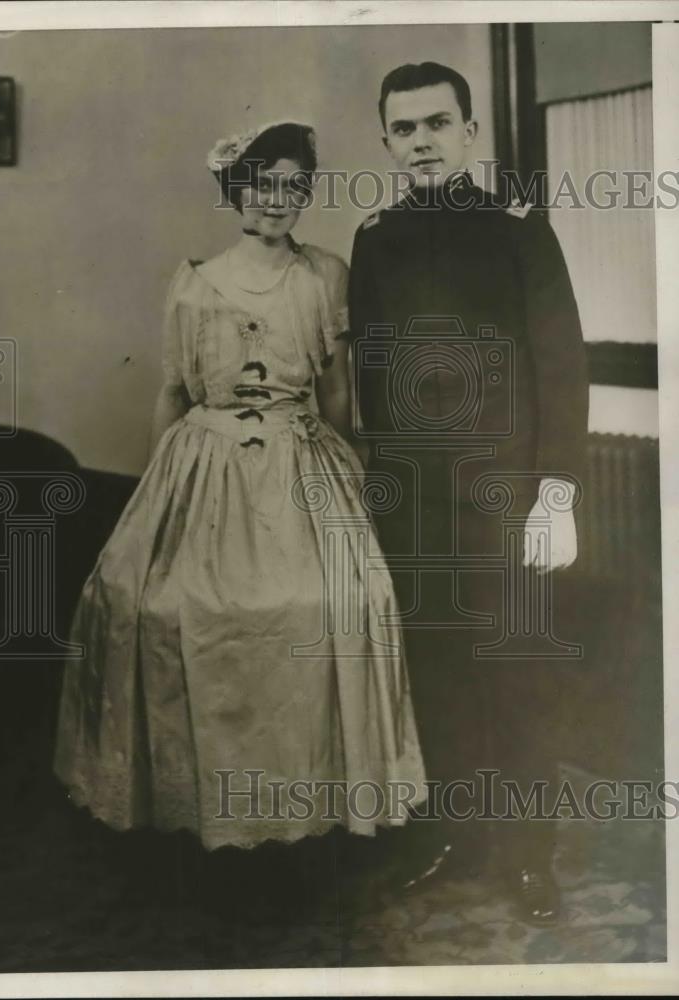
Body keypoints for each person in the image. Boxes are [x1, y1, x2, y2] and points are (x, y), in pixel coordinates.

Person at [53, 121, 427, 911]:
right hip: (206, 465)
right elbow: (174, 392)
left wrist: (351, 470)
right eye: (262, 184)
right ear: (235, 190)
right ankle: (204, 818)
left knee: (333, 605)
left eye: (293, 185)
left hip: (300, 462)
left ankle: (311, 817)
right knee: (164, 607)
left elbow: (333, 396)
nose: (276, 199)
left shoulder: (325, 274)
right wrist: (156, 496)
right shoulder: (194, 281)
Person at [348, 63, 589, 925]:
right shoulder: (374, 238)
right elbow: (372, 375)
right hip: (414, 504)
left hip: (508, 503)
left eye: (437, 124)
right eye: (404, 129)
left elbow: (562, 364)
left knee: (518, 676)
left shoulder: (519, 230)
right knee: (441, 677)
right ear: (386, 141)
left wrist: (555, 492)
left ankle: (530, 858)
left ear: (470, 132)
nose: (421, 142)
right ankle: (461, 838)